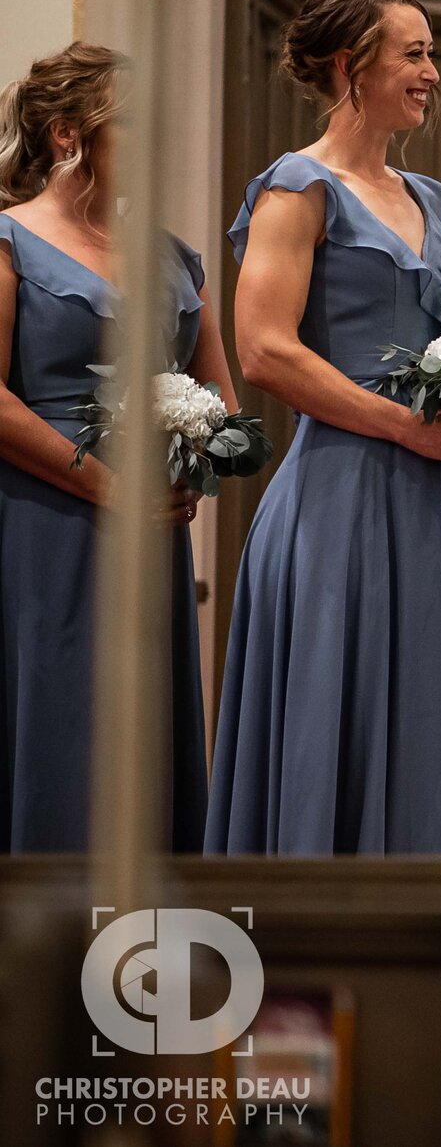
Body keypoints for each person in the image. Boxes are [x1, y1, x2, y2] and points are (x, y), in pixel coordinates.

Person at [207, 0, 441, 854]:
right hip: (339, 501)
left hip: (430, 509)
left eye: (430, 53)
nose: (431, 72)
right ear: (350, 65)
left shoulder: (424, 199)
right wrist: (414, 427)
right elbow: (263, 349)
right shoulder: (298, 189)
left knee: (420, 729)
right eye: (413, 53)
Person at [0, 42, 233, 851]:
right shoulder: (10, 242)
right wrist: (107, 484)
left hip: (152, 531)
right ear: (69, 134)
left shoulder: (174, 258)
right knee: (59, 723)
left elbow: (223, 404)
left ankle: (139, 959)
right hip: (45, 522)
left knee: (143, 736)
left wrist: (196, 459)